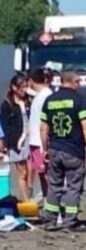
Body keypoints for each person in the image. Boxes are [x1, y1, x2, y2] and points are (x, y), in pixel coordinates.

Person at [40, 71, 86, 232]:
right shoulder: (80, 100)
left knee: (54, 185)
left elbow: (43, 127)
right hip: (73, 150)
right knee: (73, 186)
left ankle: (51, 219)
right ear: (74, 82)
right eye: (78, 82)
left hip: (55, 149)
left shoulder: (50, 100)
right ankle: (70, 220)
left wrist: (45, 149)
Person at [1, 73, 32, 201]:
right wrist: (8, 145)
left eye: (26, 86)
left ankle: (29, 193)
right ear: (14, 87)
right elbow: (6, 127)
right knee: (23, 172)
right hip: (17, 142)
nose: (24, 90)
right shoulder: (7, 105)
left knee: (31, 170)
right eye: (22, 87)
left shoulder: (28, 101)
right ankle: (26, 199)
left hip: (29, 137)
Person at [27, 68, 52, 200]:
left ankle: (54, 206)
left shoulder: (46, 96)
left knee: (47, 174)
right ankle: (48, 202)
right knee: (41, 174)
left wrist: (45, 145)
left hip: (41, 142)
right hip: (35, 141)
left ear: (31, 81)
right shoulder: (39, 95)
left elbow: (46, 123)